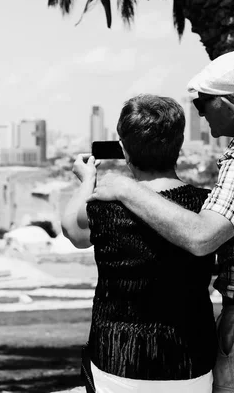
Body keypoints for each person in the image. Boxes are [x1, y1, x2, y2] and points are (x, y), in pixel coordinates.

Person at [88, 49, 234, 392]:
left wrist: (126, 189)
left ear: (228, 106)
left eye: (203, 105)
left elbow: (203, 236)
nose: (201, 116)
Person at [62, 94, 216, 393]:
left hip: (118, 357)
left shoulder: (107, 207)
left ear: (123, 147)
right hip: (190, 357)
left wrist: (86, 181)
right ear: (179, 142)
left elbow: (73, 231)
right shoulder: (206, 206)